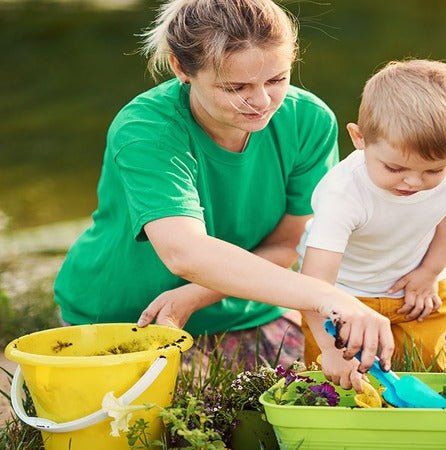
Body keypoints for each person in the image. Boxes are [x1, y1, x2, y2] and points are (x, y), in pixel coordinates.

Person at [53, 0, 393, 372]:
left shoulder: (309, 120)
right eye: (236, 87)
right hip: (126, 318)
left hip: (247, 310)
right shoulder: (145, 130)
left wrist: (197, 295)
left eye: (276, 80)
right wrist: (329, 298)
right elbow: (183, 252)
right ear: (181, 68)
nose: (262, 101)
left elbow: (286, 243)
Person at [299, 59, 446, 391]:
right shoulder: (343, 194)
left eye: (433, 171)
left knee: (425, 375)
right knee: (338, 384)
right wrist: (330, 349)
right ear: (359, 138)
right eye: (395, 168)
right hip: (345, 297)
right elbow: (314, 285)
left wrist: (430, 271)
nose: (414, 182)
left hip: (417, 290)